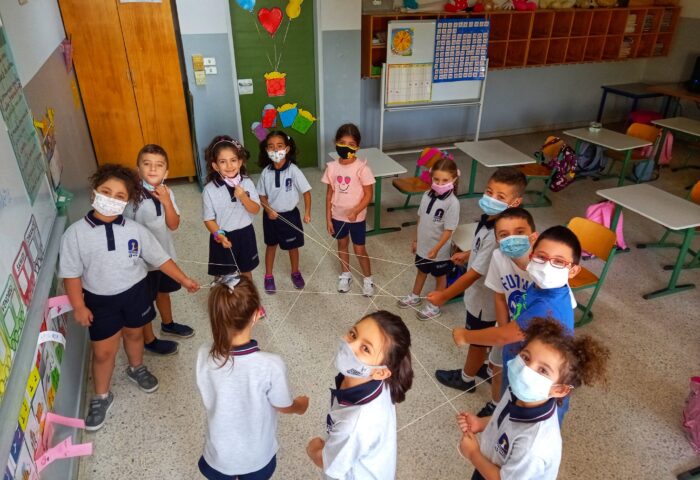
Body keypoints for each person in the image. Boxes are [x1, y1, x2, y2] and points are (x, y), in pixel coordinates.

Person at [59, 164, 199, 431]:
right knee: (103, 352)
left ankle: (136, 368)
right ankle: (101, 396)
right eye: (106, 192)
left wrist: (184, 279)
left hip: (135, 293)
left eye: (120, 196)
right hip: (100, 301)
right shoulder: (75, 234)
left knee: (135, 335)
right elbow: (71, 274)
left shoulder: (135, 230)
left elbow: (160, 258)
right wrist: (78, 306)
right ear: (94, 192)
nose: (111, 199)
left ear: (128, 201)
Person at [453, 225, 582, 423]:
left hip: (536, 386)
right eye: (541, 257)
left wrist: (465, 336)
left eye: (559, 262)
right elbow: (524, 264)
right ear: (531, 256)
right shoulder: (545, 285)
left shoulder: (547, 307)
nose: (546, 266)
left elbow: (502, 336)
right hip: (523, 366)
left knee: (520, 424)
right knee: (509, 414)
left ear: (573, 270)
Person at [456, 317, 609, 480]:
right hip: (489, 465)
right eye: (526, 357)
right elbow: (505, 419)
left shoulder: (534, 445)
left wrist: (473, 454)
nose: (525, 371)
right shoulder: (517, 390)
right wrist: (481, 423)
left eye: (543, 370)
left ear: (559, 390)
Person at [196, 275, 308, 480]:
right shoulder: (271, 365)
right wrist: (300, 405)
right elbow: (283, 406)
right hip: (257, 457)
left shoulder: (204, 354)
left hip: (218, 455)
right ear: (256, 315)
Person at [428, 167, 527, 393]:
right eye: (489, 192)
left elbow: (474, 274)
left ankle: (466, 378)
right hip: (486, 296)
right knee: (483, 339)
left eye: (500, 197)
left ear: (515, 202)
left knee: (477, 340)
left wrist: (444, 295)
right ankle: (486, 367)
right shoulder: (492, 221)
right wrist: (468, 254)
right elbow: (482, 252)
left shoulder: (497, 234)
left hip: (484, 299)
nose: (491, 199)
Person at [306, 310, 414, 479]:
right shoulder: (372, 379)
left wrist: (313, 450)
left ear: (381, 372)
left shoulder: (353, 425)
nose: (350, 346)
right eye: (353, 334)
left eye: (365, 348)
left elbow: (328, 464)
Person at [125, 144, 194, 357]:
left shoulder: (167, 192)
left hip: (165, 258)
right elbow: (126, 231)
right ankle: (149, 340)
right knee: (145, 301)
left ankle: (168, 324)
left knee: (163, 293)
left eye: (159, 165)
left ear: (166, 172)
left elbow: (173, 224)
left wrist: (166, 202)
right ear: (138, 169)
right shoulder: (131, 196)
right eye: (147, 164)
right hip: (143, 263)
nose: (153, 169)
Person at [475, 207, 538, 418]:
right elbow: (500, 297)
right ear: (497, 240)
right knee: (497, 366)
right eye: (504, 235)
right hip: (506, 327)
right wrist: (503, 334)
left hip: (536, 336)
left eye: (519, 232)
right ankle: (495, 405)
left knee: (526, 377)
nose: (512, 239)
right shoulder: (498, 256)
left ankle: (517, 412)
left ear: (533, 235)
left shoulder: (543, 265)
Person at [398, 158, 460, 320]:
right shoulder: (426, 195)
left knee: (440, 277)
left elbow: (449, 230)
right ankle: (415, 296)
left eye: (445, 180)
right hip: (423, 246)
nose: (440, 184)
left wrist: (436, 249)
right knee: (421, 271)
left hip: (439, 251)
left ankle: (435, 306)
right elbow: (421, 219)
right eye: (436, 179)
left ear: (454, 179)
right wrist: (416, 240)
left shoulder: (453, 203)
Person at [322, 123, 376, 296]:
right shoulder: (332, 167)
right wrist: (328, 218)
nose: (346, 147)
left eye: (351, 144)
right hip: (338, 216)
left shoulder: (362, 168)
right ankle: (345, 275)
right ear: (335, 143)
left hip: (356, 218)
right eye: (342, 143)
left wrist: (356, 210)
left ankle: (368, 279)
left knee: (359, 250)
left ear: (357, 147)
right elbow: (329, 194)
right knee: (342, 245)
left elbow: (368, 195)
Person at [256, 131, 312, 294]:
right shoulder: (266, 172)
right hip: (270, 216)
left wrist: (307, 212)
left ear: (287, 149)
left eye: (279, 146)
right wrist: (268, 209)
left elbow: (306, 192)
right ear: (266, 150)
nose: (275, 150)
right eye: (271, 147)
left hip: (290, 215)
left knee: (292, 247)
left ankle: (295, 272)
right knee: (271, 245)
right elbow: (261, 195)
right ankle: (268, 276)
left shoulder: (293, 170)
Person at [202, 135, 261, 280]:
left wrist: (244, 198)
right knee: (224, 276)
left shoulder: (247, 183)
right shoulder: (209, 190)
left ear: (240, 162)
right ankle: (222, 293)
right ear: (215, 166)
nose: (229, 166)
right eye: (223, 162)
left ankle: (248, 296)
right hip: (223, 235)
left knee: (246, 272)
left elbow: (255, 209)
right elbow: (208, 219)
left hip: (246, 234)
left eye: (233, 160)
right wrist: (219, 235)